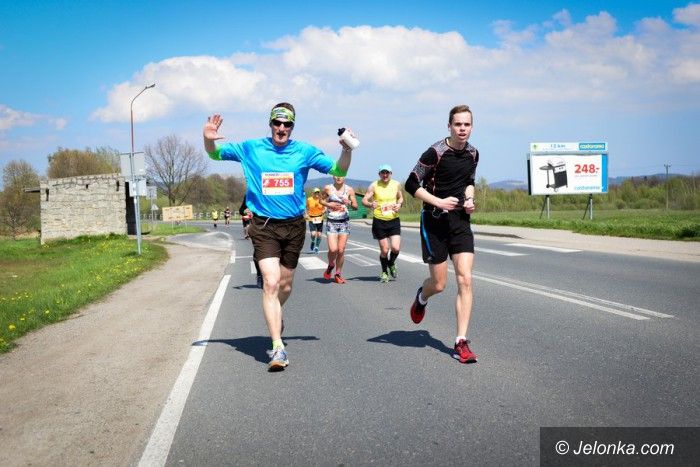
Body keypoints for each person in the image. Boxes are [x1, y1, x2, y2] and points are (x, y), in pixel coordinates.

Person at [203, 103, 355, 370]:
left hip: (294, 226)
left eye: (287, 124)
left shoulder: (304, 151)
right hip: (264, 226)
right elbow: (214, 154)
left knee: (284, 286)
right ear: (270, 124)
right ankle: (277, 348)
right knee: (271, 283)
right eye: (277, 123)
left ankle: (276, 312)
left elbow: (339, 171)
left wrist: (346, 150)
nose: (281, 128)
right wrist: (208, 138)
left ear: (292, 127)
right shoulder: (252, 148)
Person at [404, 105, 479, 364]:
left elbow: (469, 181)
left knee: (465, 279)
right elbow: (410, 183)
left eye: (467, 124)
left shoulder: (473, 153)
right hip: (434, 221)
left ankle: (461, 342)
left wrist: (470, 199)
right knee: (439, 284)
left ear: (471, 127)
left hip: (460, 222)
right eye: (458, 124)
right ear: (449, 126)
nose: (462, 129)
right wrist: (438, 201)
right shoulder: (435, 152)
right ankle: (422, 297)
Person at [362, 164, 403, 283]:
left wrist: (399, 204)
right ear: (379, 174)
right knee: (385, 250)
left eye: (387, 173)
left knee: (395, 248)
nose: (385, 175)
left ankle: (391, 263)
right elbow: (364, 200)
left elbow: (400, 198)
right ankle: (384, 272)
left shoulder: (396, 184)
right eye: (383, 173)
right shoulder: (374, 185)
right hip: (379, 221)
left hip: (393, 220)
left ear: (391, 174)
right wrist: (370, 204)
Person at [321, 176, 357, 284]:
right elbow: (321, 200)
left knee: (341, 250)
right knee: (333, 249)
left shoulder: (349, 189)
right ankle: (331, 264)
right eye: (336, 175)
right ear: (333, 176)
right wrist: (329, 204)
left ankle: (338, 274)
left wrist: (349, 202)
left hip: (344, 222)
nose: (338, 177)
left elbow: (355, 206)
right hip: (331, 222)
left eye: (341, 175)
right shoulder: (328, 188)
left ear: (344, 176)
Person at [239, 196, 262, 288]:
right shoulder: (250, 194)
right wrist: (245, 211)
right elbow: (241, 210)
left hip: (273, 227)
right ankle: (259, 275)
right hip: (257, 227)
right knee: (258, 253)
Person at [305, 187, 325, 254]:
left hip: (320, 218)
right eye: (315, 192)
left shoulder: (322, 199)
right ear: (313, 193)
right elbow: (305, 207)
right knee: (313, 234)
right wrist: (306, 214)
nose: (317, 194)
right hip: (311, 218)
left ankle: (316, 247)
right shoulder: (309, 199)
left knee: (319, 234)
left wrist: (324, 210)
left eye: (318, 192)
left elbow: (325, 207)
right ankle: (313, 241)